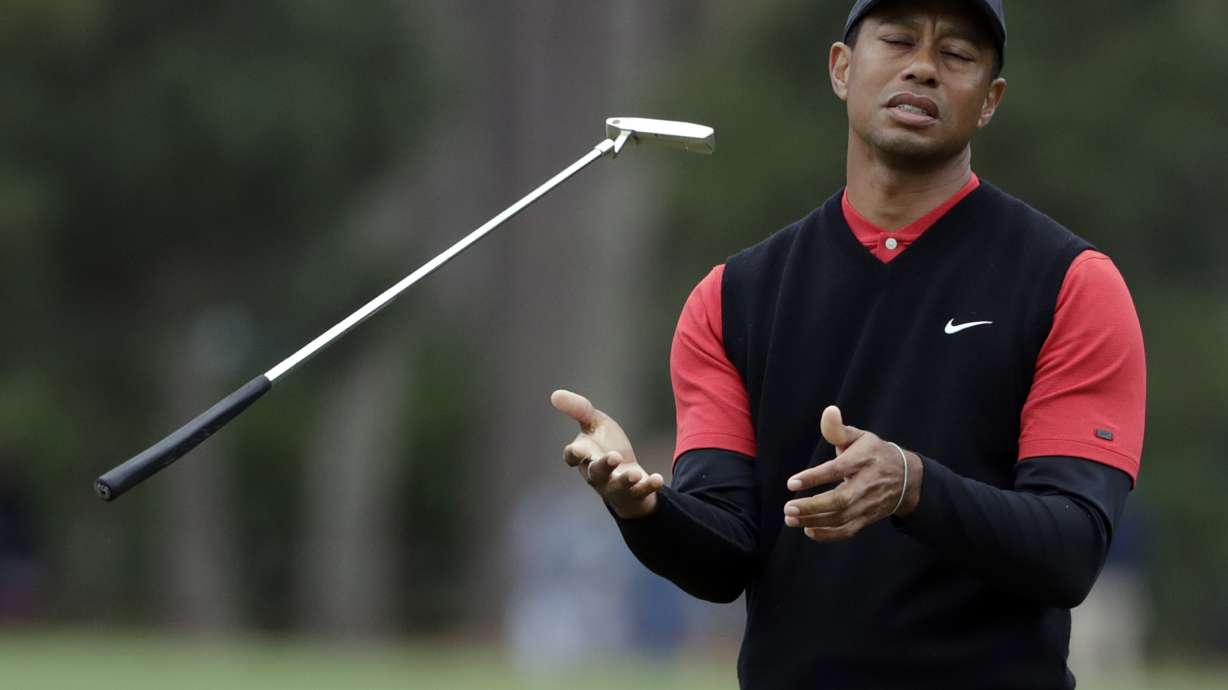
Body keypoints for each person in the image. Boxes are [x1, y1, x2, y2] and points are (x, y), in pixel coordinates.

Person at [550, 0, 1146, 688]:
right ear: (841, 68)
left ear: (990, 100)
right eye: (898, 41)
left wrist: (911, 484)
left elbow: (1070, 550)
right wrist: (644, 508)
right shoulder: (731, 298)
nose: (923, 67)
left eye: (956, 55)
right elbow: (723, 556)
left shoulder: (1070, 284)